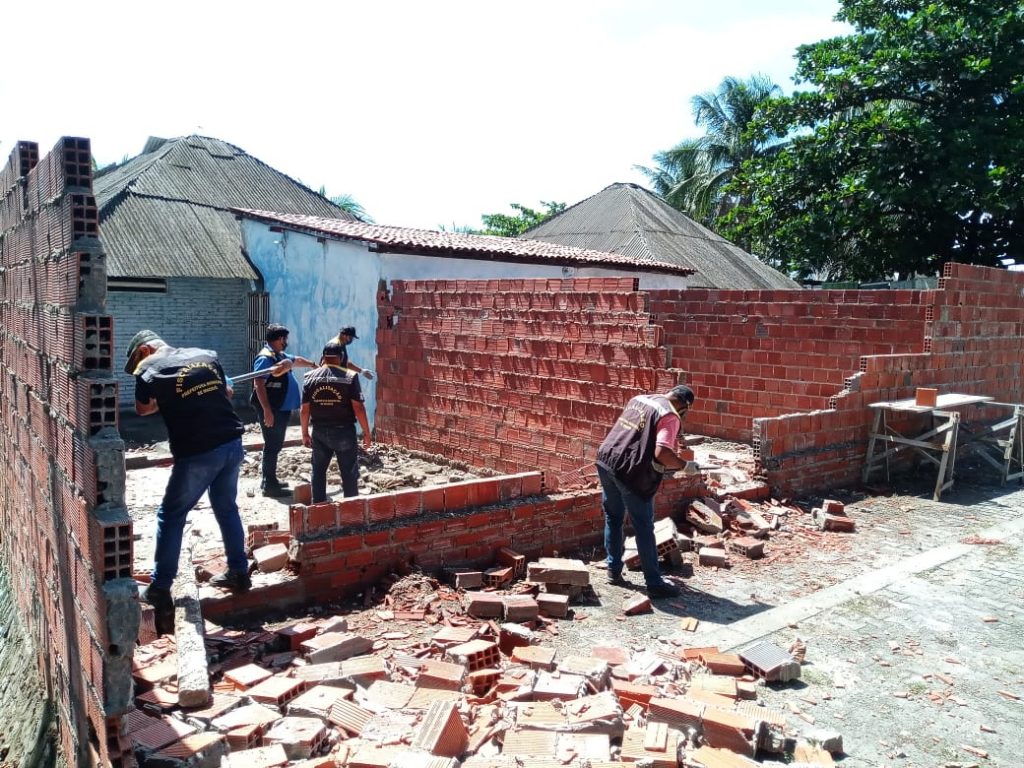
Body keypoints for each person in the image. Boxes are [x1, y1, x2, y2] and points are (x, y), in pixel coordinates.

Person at [125, 330, 254, 632]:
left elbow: (142, 409)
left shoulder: (150, 369)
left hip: (199, 451)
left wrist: (167, 400)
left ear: (145, 349)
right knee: (226, 508)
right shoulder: (206, 355)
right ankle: (239, 571)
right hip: (232, 443)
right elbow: (227, 394)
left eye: (137, 359)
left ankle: (160, 587)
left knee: (170, 515)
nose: (139, 366)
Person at [595, 384, 697, 599]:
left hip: (606, 460)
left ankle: (613, 571)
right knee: (643, 526)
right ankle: (654, 582)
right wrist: (683, 465)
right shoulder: (670, 415)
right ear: (684, 406)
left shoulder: (640, 398)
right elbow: (661, 452)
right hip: (629, 473)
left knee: (613, 518)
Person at [301, 343, 372, 502]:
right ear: (341, 357)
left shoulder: (309, 377)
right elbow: (358, 407)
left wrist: (304, 433)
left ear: (323, 357)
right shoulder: (350, 377)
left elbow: (305, 409)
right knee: (349, 473)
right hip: (344, 432)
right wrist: (367, 433)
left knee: (318, 472)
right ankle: (351, 511)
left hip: (319, 431)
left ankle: (318, 509)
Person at [251, 324, 316, 497]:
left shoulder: (278, 355)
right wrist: (267, 411)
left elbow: (296, 361)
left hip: (280, 408)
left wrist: (312, 364)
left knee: (275, 445)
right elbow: (258, 383)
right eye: (285, 339)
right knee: (272, 446)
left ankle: (270, 480)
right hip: (273, 409)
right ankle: (269, 486)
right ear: (280, 339)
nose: (286, 342)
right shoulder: (265, 358)